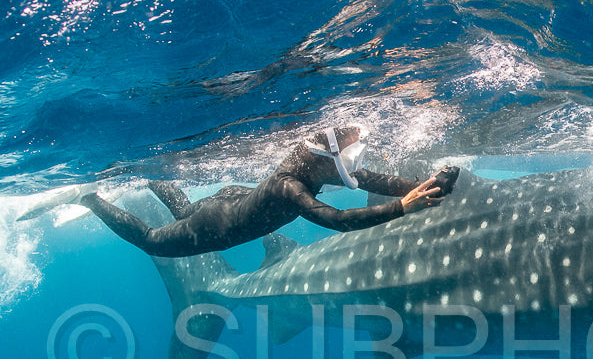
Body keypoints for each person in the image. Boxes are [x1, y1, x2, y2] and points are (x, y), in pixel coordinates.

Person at [76, 125, 444, 258]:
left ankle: (144, 172)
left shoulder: (313, 165)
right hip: (218, 226)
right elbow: (336, 220)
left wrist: (424, 184)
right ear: (323, 160)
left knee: (184, 210)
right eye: (345, 159)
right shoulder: (291, 186)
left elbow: (373, 180)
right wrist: (401, 208)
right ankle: (87, 198)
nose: (350, 167)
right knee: (151, 240)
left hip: (228, 202)